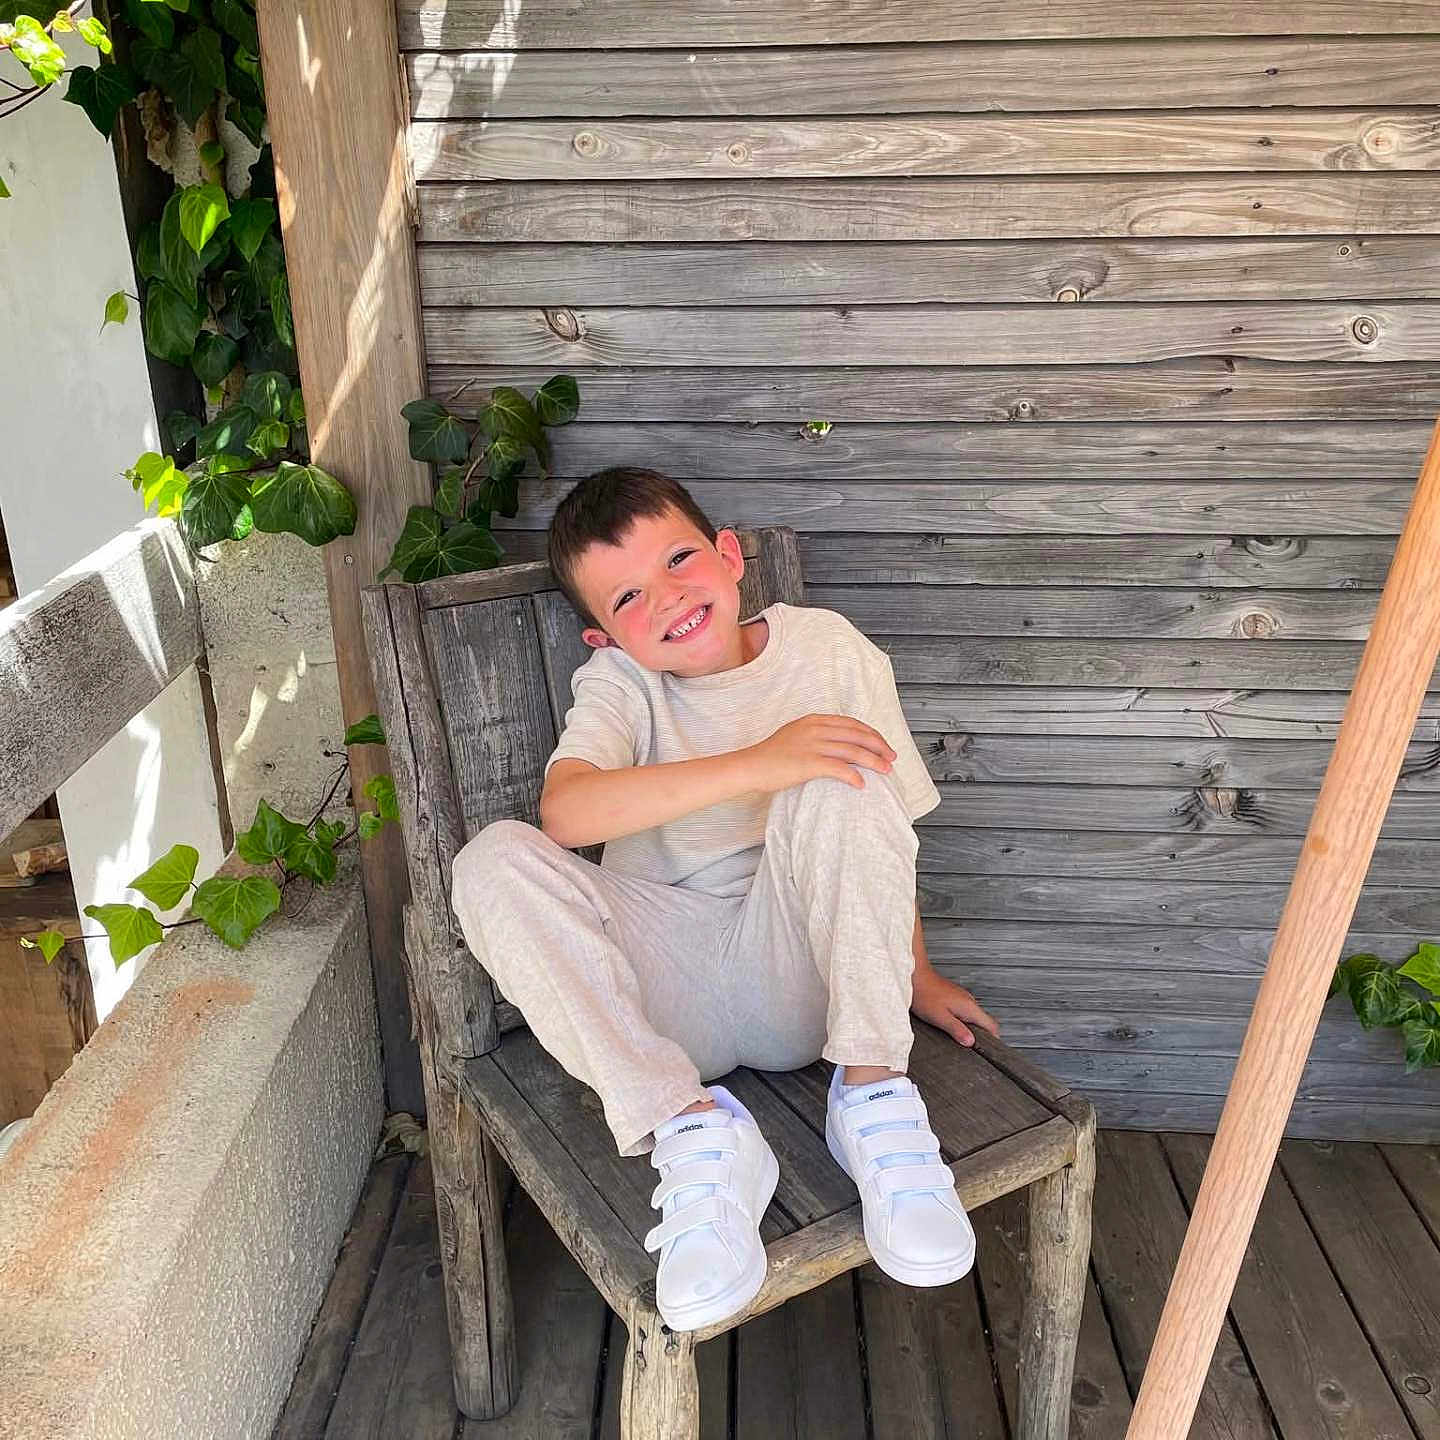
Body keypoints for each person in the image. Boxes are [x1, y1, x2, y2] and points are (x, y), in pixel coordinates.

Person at [450, 466, 1000, 1333]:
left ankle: (873, 1099)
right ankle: (696, 1131)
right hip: (662, 1000)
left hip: (797, 983)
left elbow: (887, 842)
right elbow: (566, 813)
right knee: (489, 863)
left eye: (678, 560)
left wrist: (912, 976)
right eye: (629, 596)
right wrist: (759, 763)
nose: (667, 597)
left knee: (846, 777)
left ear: (730, 557)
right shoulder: (623, 686)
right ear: (603, 638)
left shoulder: (828, 649)